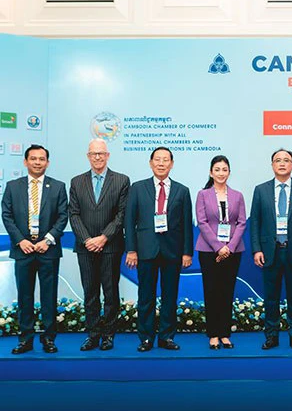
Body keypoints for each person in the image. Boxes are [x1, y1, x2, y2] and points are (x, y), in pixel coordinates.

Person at [125, 146, 193, 352]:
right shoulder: (137, 188)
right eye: (157, 159)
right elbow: (129, 221)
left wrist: (187, 252)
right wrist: (131, 250)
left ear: (171, 164)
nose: (161, 163)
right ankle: (146, 338)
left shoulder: (182, 190)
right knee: (146, 295)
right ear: (150, 163)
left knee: (170, 296)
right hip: (145, 250)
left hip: (172, 251)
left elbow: (186, 225)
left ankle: (166, 337)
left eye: (166, 160)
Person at [2, 144, 68, 354]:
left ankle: (48, 339)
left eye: (42, 159)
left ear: (47, 163)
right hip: (23, 250)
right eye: (33, 158)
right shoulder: (13, 186)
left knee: (49, 297)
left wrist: (47, 240)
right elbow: (7, 215)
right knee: (25, 296)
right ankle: (25, 340)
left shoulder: (57, 186)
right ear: (25, 161)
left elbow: (63, 216)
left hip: (47, 250)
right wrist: (21, 240)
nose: (37, 162)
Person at [69, 138, 130, 351]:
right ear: (88, 156)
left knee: (111, 292)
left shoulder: (121, 180)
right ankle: (93, 334)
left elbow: (122, 215)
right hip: (85, 248)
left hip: (110, 246)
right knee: (90, 292)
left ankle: (108, 334)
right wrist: (87, 240)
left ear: (108, 155)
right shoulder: (77, 182)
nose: (97, 157)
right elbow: (74, 214)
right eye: (93, 153)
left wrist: (103, 237)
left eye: (101, 153)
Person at [251, 149, 292, 350]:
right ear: (272, 165)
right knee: (271, 298)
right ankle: (271, 336)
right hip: (270, 252)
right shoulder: (260, 190)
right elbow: (255, 223)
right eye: (278, 160)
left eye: (286, 160)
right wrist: (256, 250)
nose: (282, 164)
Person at [195, 155, 246, 350]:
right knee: (211, 291)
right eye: (217, 169)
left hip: (233, 251)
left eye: (224, 170)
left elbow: (242, 222)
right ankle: (213, 334)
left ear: (229, 172)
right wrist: (218, 247)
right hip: (209, 251)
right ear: (211, 172)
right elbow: (202, 222)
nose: (221, 173)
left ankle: (225, 333)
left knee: (227, 291)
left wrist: (229, 247)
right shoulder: (202, 194)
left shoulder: (238, 195)